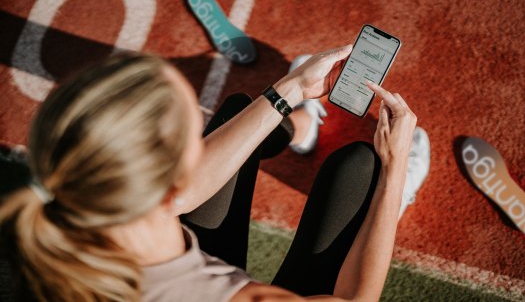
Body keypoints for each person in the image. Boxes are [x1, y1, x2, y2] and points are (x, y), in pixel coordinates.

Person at [0, 46, 428, 302]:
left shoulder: (62, 226)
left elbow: (184, 194)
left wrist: (292, 88)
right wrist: (393, 167)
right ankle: (395, 193)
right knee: (362, 169)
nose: (201, 144)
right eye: (194, 139)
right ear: (168, 186)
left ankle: (300, 125)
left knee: (245, 115)